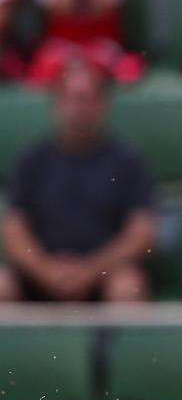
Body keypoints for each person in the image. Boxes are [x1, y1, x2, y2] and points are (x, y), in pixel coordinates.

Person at [0, 57, 155, 302]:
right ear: (56, 105)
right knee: (2, 285)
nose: (78, 108)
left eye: (86, 98)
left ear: (103, 104)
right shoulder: (32, 160)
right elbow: (14, 231)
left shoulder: (127, 161)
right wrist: (46, 271)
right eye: (71, 98)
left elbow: (142, 234)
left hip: (105, 274)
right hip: (40, 275)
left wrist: (92, 270)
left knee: (128, 286)